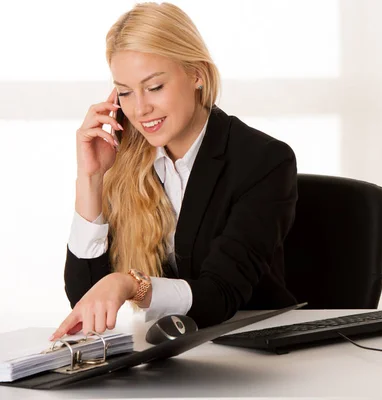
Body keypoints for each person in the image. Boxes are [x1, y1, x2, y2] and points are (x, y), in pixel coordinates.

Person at [50, 2, 298, 341]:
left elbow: (221, 294)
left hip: (252, 348)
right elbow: (86, 298)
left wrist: (132, 285)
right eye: (124, 92)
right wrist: (91, 178)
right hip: (172, 353)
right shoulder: (127, 159)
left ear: (196, 74)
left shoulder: (263, 160)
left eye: (154, 87)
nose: (139, 109)